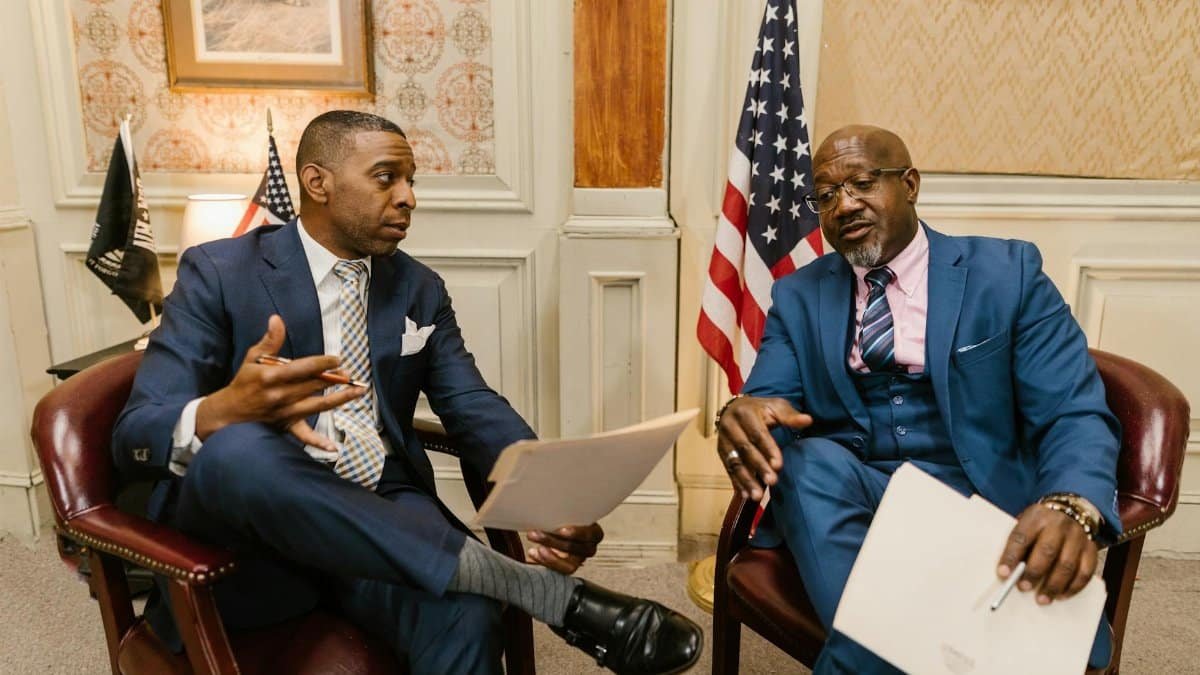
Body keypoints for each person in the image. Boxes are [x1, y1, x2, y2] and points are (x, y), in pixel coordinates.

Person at [113, 110, 701, 675]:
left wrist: (547, 499)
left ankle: (488, 583)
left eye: (411, 181)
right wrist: (221, 412)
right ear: (317, 182)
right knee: (238, 450)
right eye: (386, 177)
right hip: (253, 540)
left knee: (467, 616)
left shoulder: (418, 287)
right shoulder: (219, 271)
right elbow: (137, 431)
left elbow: (471, 405)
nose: (409, 197)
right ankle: (542, 594)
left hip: (381, 504)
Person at [716, 124, 1120, 673]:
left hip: (976, 501)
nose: (844, 204)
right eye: (826, 194)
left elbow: (1071, 409)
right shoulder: (798, 294)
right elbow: (769, 401)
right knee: (805, 463)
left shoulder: (1008, 274)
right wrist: (742, 412)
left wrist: (1072, 502)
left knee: (872, 644)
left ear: (909, 184)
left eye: (861, 182)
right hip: (861, 496)